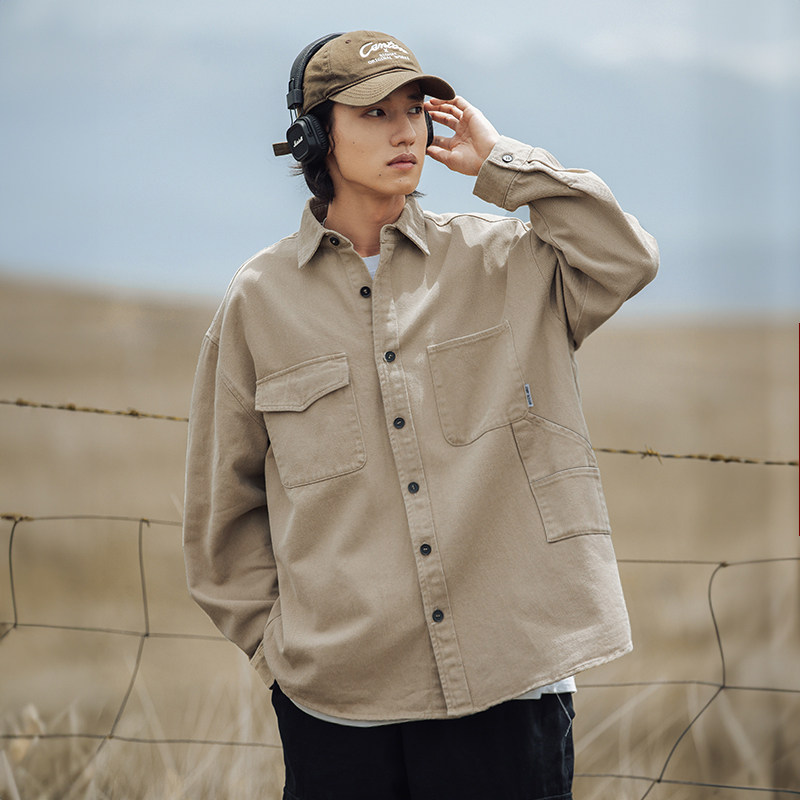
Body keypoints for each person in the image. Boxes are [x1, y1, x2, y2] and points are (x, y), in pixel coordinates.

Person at [183, 29, 658, 800]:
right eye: (373, 113)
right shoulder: (259, 302)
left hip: (509, 688)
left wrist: (501, 162)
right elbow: (221, 514)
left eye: (413, 109)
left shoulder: (504, 261)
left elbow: (625, 257)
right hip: (338, 709)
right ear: (313, 137)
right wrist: (282, 656)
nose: (404, 130)